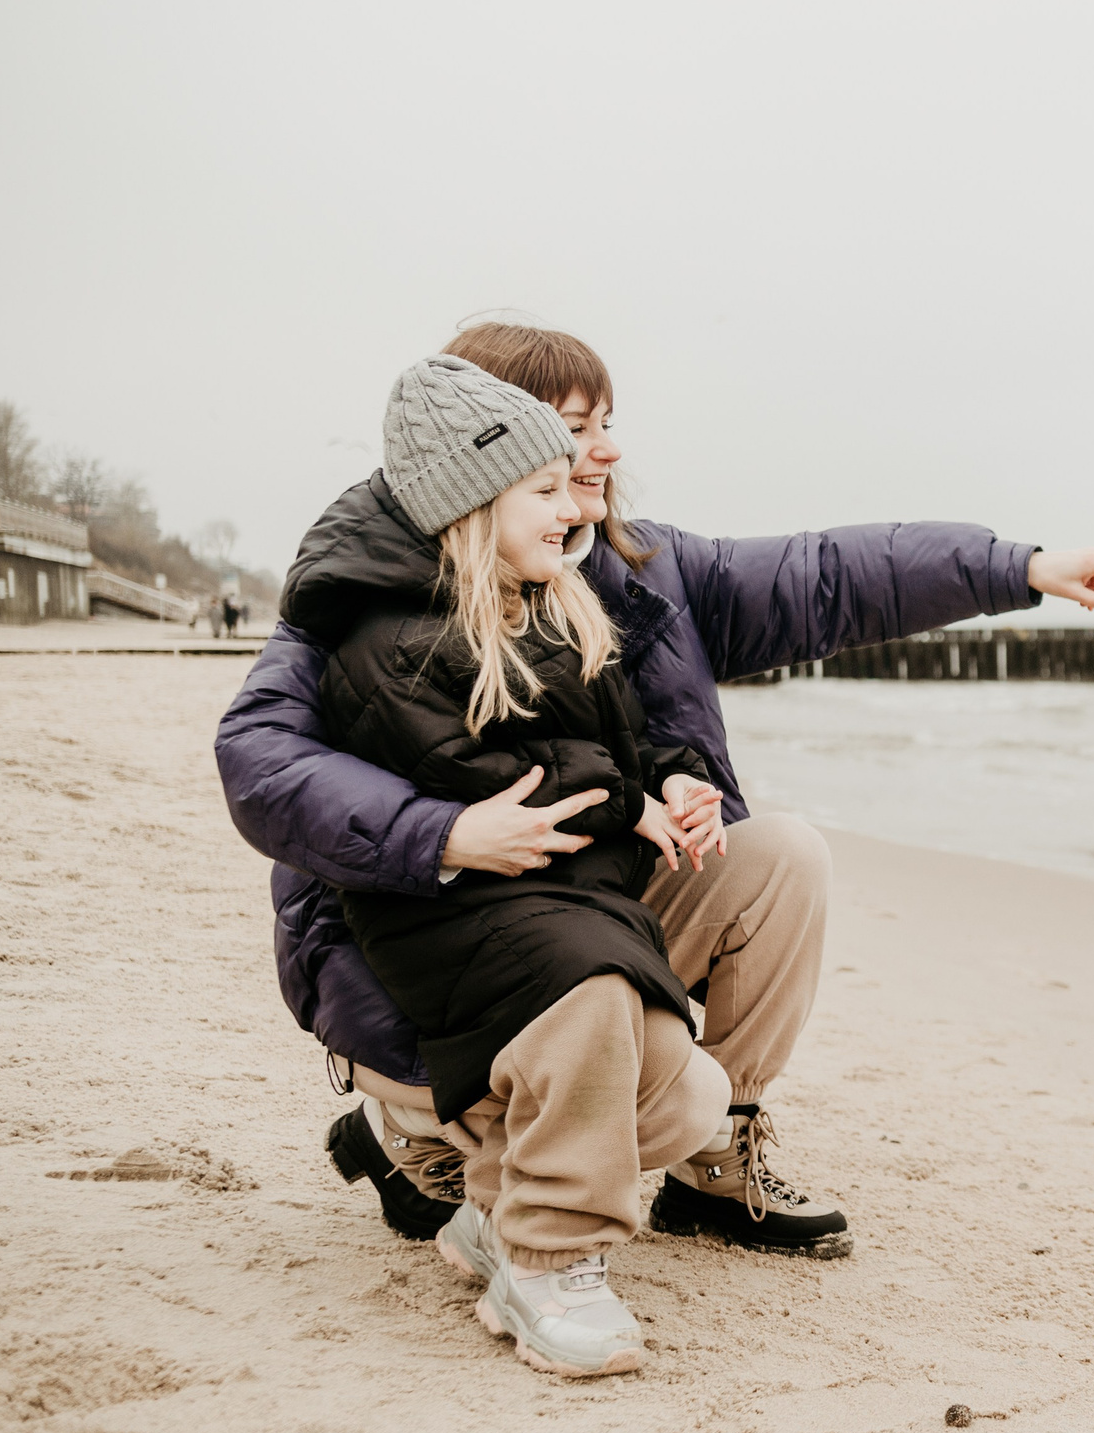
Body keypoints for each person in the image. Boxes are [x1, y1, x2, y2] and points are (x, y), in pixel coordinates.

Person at [215, 323, 1094, 1265]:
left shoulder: (641, 572)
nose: (608, 450)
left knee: (784, 857)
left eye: (607, 423)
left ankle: (712, 1165)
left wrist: (1018, 568)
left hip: (591, 907)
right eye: (575, 427)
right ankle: (421, 1135)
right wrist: (445, 833)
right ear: (485, 447)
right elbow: (260, 759)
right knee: (551, 1033)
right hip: (420, 959)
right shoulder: (366, 591)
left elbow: (830, 576)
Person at [283, 354, 748, 1376]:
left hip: (556, 895)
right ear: (468, 507)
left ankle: (494, 1217)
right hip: (449, 910)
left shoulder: (550, 603)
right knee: (589, 994)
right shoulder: (393, 639)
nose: (573, 507)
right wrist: (628, 803)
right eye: (542, 491)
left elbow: (611, 740)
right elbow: (503, 777)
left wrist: (669, 778)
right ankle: (545, 1266)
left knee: (687, 1096)